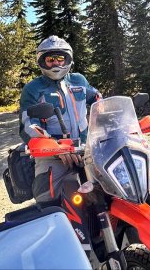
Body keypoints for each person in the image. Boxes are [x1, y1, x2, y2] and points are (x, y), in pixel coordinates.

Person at [19, 35, 101, 203]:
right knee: (47, 197)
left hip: (85, 148)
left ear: (68, 59)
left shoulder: (78, 80)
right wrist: (54, 147)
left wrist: (111, 114)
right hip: (53, 153)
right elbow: (28, 124)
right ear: (41, 61)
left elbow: (98, 100)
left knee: (110, 188)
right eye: (50, 59)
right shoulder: (33, 88)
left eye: (60, 58)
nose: (56, 63)